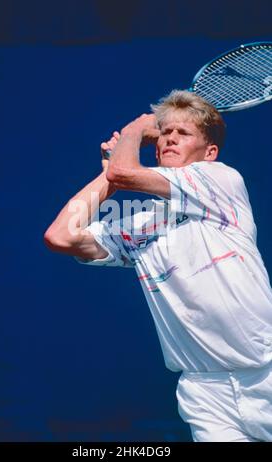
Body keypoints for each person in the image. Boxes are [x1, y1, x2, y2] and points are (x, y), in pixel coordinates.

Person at [44, 90, 272, 442]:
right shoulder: (138, 226)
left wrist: (135, 130)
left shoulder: (222, 180)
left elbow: (126, 172)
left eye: (184, 133)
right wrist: (108, 178)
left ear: (209, 152)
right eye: (166, 133)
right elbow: (61, 236)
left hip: (265, 372)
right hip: (203, 391)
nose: (170, 138)